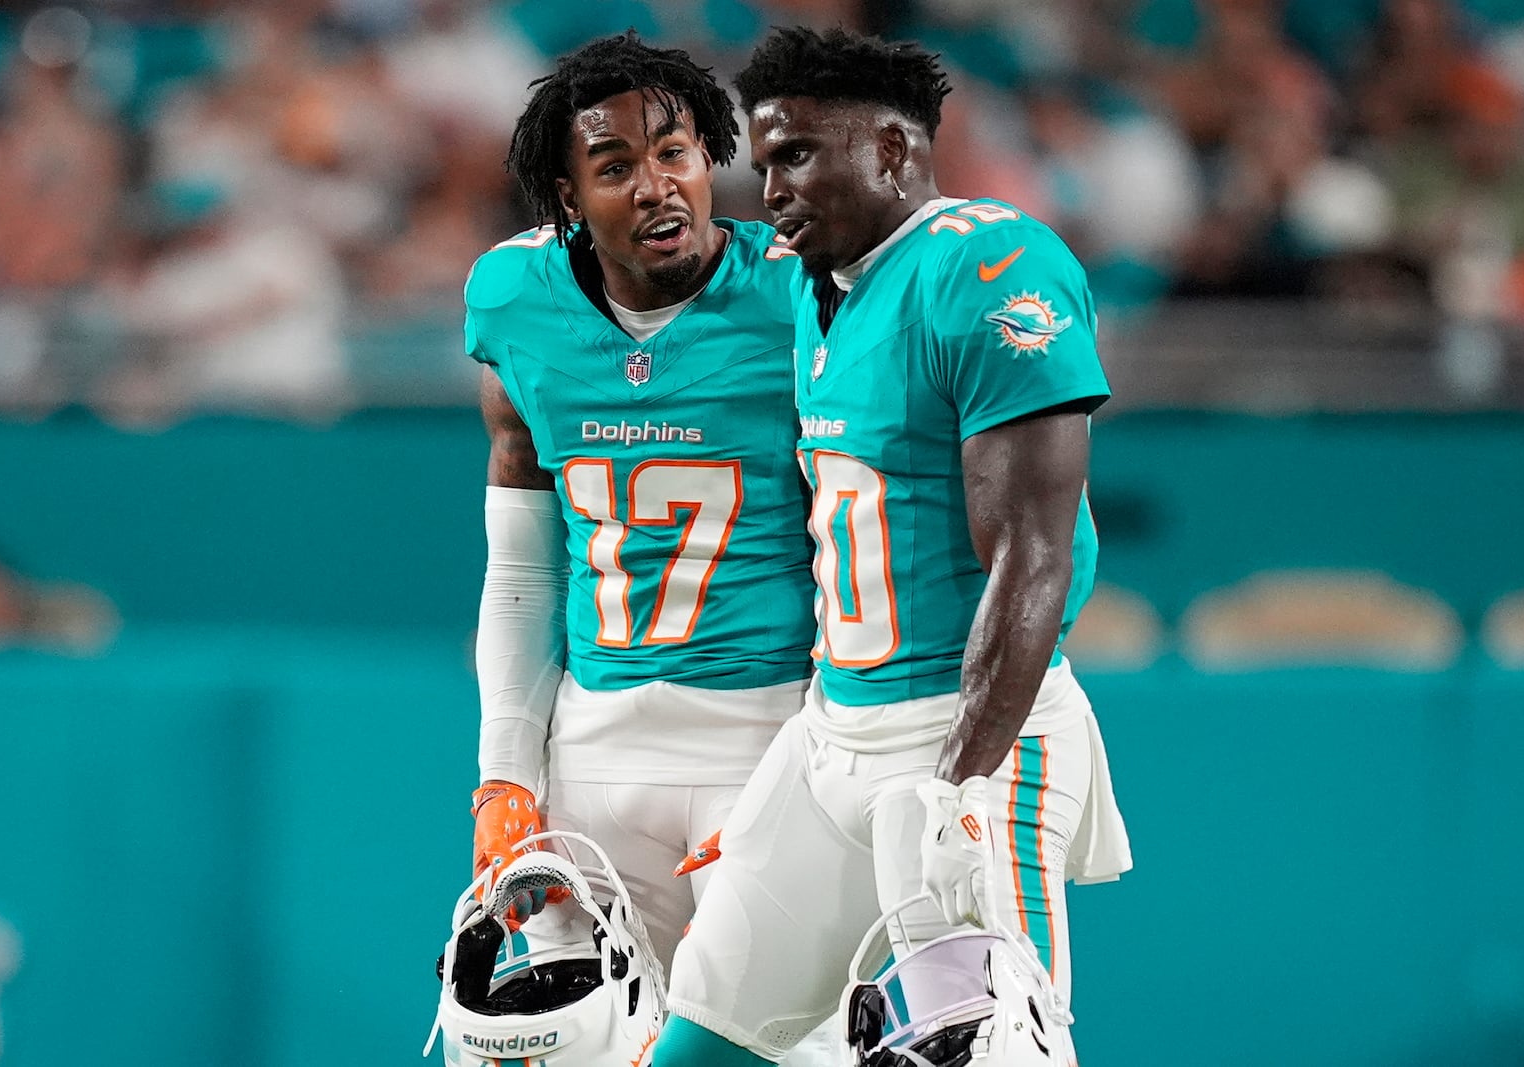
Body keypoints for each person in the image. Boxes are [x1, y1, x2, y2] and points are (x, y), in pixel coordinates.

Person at [653, 27, 1133, 1066]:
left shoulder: (987, 265)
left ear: (889, 149)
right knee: (702, 1036)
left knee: (991, 1047)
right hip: (833, 732)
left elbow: (1039, 555)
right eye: (763, 157)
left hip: (967, 742)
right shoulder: (813, 281)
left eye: (796, 155)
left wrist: (959, 784)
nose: (769, 185)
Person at [459, 31, 816, 976]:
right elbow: (526, 567)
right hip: (595, 750)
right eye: (616, 165)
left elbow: (867, 543)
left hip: (767, 730)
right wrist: (505, 773)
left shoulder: (801, 295)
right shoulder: (514, 298)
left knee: (794, 1036)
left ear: (710, 157)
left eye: (674, 152)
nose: (656, 184)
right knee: (574, 1035)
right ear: (570, 198)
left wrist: (821, 767)